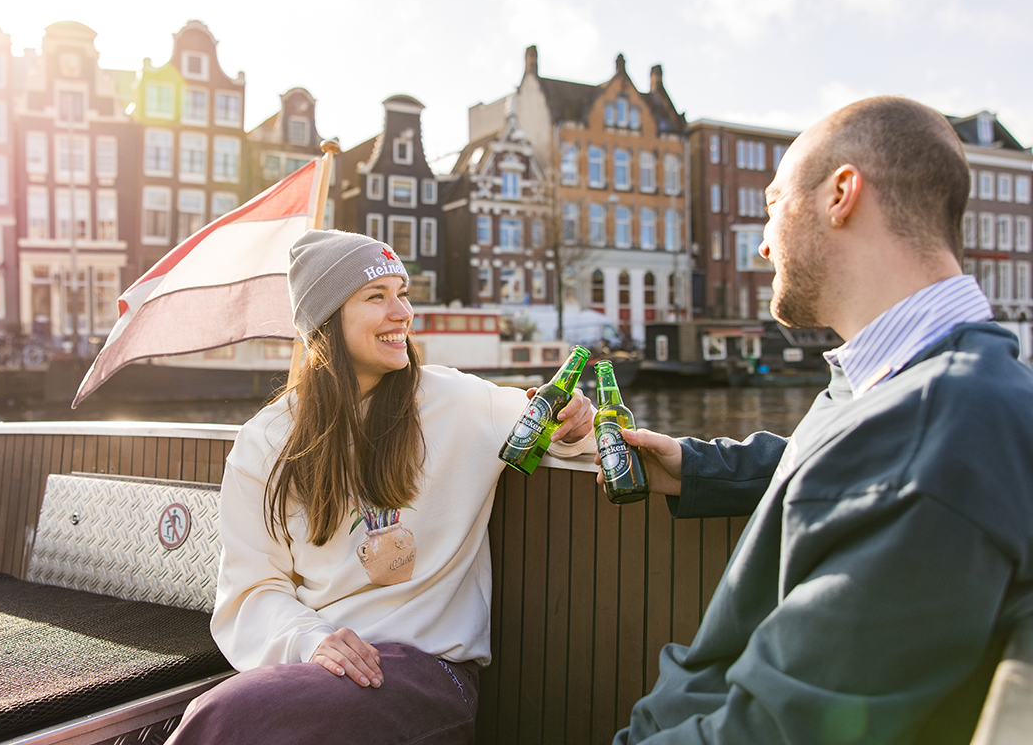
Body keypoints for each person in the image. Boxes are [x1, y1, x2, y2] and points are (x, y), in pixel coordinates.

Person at [606, 96, 1033, 744]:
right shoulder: (908, 382)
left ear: (841, 195)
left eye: (774, 204)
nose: (763, 245)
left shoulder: (934, 438)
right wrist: (700, 468)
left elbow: (776, 732)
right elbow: (850, 467)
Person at [166, 229, 596, 744]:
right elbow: (252, 590)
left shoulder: (460, 402)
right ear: (326, 321)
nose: (403, 313)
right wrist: (311, 640)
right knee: (224, 715)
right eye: (377, 297)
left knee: (229, 717)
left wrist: (578, 422)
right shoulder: (266, 440)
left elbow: (572, 438)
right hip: (320, 666)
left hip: (429, 671)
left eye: (403, 294)